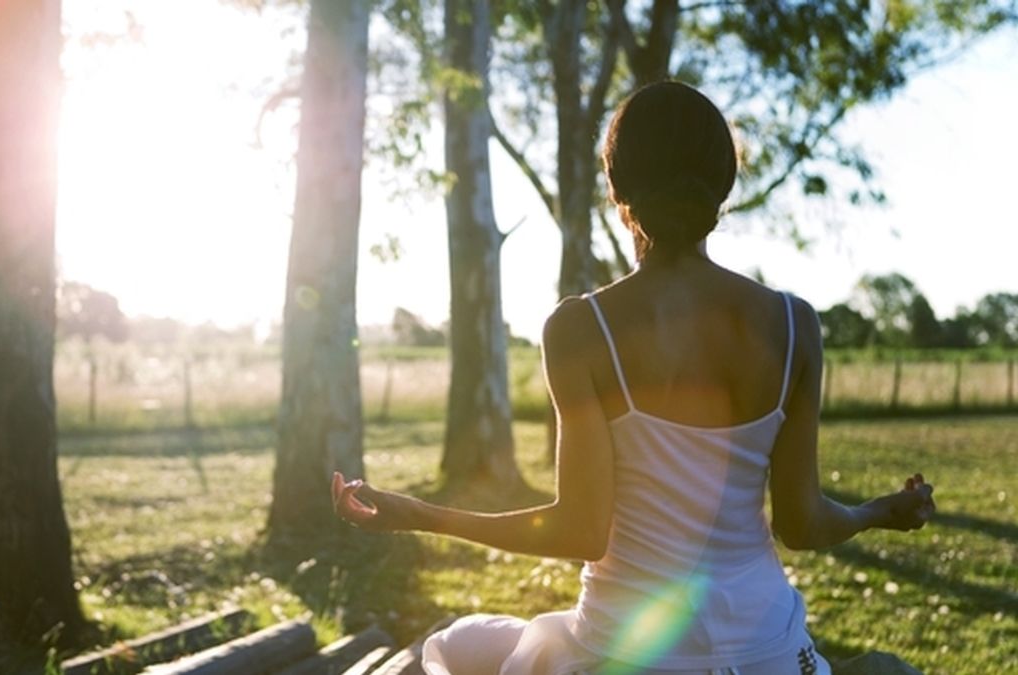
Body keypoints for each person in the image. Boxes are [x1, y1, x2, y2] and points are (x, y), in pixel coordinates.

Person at [331, 81, 935, 675]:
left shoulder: (578, 329)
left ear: (618, 189)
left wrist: (420, 514)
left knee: (462, 646)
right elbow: (801, 526)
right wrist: (881, 510)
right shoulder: (794, 324)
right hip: (768, 653)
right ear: (722, 187)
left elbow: (581, 530)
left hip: (622, 653)